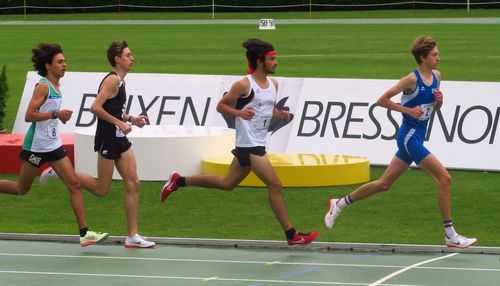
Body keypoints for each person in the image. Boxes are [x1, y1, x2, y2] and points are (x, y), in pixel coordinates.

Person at [160, 38, 319, 246]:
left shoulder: (274, 84)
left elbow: (267, 111)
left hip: (259, 143)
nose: (276, 62)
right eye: (272, 59)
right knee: (275, 184)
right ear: (260, 61)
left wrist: (281, 115)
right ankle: (292, 235)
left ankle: (178, 180)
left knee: (227, 184)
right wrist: (240, 113)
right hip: (249, 146)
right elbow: (221, 106)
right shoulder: (244, 85)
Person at [324, 36, 477, 248]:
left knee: (384, 184)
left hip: (419, 135)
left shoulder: (437, 76)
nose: (438, 58)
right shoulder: (411, 80)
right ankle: (451, 235)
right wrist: (407, 110)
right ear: (423, 58)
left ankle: (339, 203)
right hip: (409, 137)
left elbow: (434, 110)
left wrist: (439, 102)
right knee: (445, 179)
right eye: (434, 55)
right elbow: (382, 100)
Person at [41, 40, 155, 248]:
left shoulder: (121, 82)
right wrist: (120, 122)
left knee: (133, 182)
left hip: (119, 137)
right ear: (117, 59)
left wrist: (131, 119)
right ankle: (61, 173)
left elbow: (115, 110)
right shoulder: (111, 81)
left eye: (131, 54)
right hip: (107, 137)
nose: (132, 58)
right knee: (101, 189)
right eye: (128, 55)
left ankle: (132, 236)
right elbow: (95, 107)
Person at [0, 43, 108, 247]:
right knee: (20, 189)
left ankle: (85, 233)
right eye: (60, 62)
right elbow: (29, 115)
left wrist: (56, 118)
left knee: (74, 184)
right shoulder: (43, 86)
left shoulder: (57, 86)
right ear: (48, 66)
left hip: (53, 145)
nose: (64, 65)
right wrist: (56, 114)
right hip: (36, 147)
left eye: (64, 61)